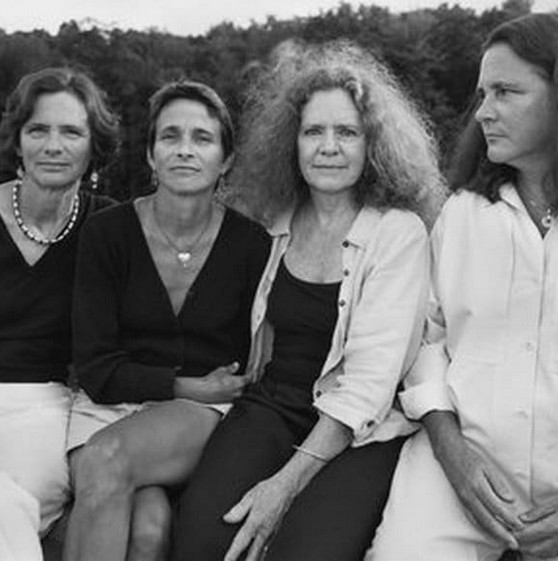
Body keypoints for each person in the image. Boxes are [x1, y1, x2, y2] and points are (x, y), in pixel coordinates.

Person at [367, 12, 558, 561]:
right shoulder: (463, 214)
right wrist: (455, 460)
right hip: (462, 471)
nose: (483, 112)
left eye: (505, 92)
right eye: (483, 94)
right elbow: (427, 342)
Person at [171, 40, 445, 561]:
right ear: (291, 143)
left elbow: (368, 387)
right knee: (204, 540)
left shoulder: (398, 233)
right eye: (313, 131)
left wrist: (283, 486)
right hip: (271, 405)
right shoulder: (270, 221)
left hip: (360, 428)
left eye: (347, 132)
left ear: (373, 144)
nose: (328, 147)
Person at [64, 80, 271, 561]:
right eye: (170, 136)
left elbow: (255, 362)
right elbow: (94, 366)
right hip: (107, 406)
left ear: (225, 159)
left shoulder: (251, 245)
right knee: (149, 531)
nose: (184, 150)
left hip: (199, 416)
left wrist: (198, 395)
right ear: (151, 155)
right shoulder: (106, 234)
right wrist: (187, 385)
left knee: (106, 459)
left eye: (202, 138)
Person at [0, 67, 118, 561]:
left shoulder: (108, 227)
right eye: (38, 129)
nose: (53, 145)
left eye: (71, 132)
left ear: (93, 146)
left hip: (40, 413)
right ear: (18, 141)